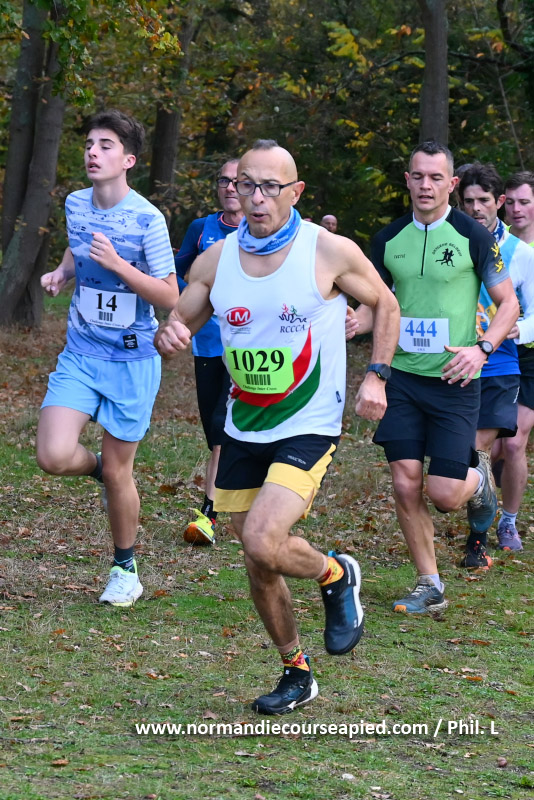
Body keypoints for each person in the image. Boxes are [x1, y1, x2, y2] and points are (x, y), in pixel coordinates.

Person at [155, 139, 399, 714]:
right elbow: (183, 318)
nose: (257, 198)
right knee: (257, 557)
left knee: (264, 537)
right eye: (247, 185)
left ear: (295, 191)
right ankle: (296, 671)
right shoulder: (215, 260)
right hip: (244, 422)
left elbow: (385, 305)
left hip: (308, 420)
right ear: (233, 189)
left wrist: (377, 377)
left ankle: (335, 573)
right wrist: (171, 332)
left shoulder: (327, 251)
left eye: (270, 187)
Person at [356, 140, 518, 615]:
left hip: (455, 379)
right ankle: (429, 584)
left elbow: (509, 304)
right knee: (406, 483)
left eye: (436, 177)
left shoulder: (473, 236)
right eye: (418, 176)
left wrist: (481, 349)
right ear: (407, 180)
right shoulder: (388, 240)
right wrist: (350, 321)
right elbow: (376, 305)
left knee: (445, 494)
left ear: (451, 183)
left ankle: (479, 480)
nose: (425, 185)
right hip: (403, 378)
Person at [36, 110, 178, 607]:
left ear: (128, 160)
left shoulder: (148, 220)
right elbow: (78, 248)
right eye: (89, 144)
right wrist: (63, 272)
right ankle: (98, 467)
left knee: (123, 475)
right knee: (53, 455)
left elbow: (169, 295)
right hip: (80, 352)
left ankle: (125, 569)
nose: (93, 153)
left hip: (132, 361)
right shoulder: (76, 204)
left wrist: (119, 265)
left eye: (105, 145)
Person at [458, 163, 534, 565]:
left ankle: (490, 531)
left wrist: (512, 329)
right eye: (468, 201)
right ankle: (480, 508)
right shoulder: (449, 242)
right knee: (467, 453)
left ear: (497, 202)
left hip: (506, 359)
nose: (475, 208)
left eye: (483, 200)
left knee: (494, 446)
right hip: (455, 359)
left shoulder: (521, 254)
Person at [174, 159, 242, 546]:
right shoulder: (201, 228)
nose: (230, 187)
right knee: (212, 429)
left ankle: (209, 514)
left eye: (237, 181)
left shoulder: (262, 233)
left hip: (247, 346)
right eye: (223, 181)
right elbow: (177, 273)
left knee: (221, 426)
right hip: (207, 343)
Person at [490, 171, 534, 550]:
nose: (517, 209)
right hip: (494, 351)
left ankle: (508, 522)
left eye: (526, 202)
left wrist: (521, 328)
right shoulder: (490, 240)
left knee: (515, 443)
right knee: (493, 447)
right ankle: (485, 506)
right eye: (512, 201)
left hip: (529, 355)